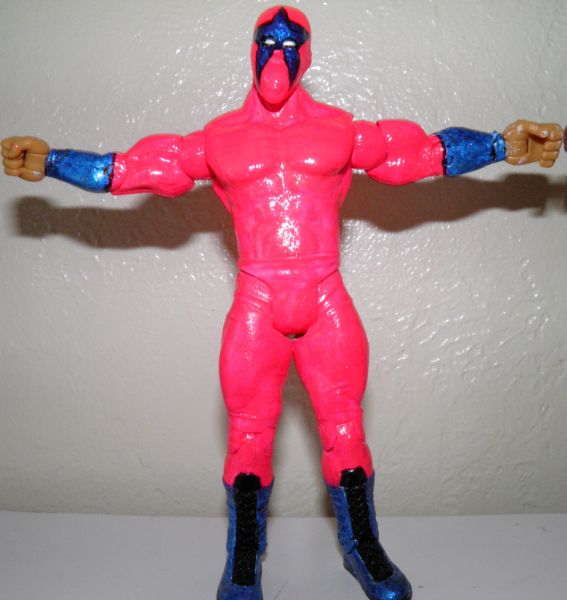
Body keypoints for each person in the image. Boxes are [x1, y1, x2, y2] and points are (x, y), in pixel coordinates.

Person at [2, 6, 563, 600]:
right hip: (258, 300)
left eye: (289, 44)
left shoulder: (340, 130)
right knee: (247, 437)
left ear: (307, 55)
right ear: (251, 52)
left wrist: (503, 145)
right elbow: (127, 170)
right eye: (266, 43)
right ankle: (244, 560)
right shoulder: (219, 138)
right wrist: (51, 162)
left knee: (346, 431)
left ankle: (363, 549)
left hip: (323, 295)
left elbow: (425, 154)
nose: (277, 53)